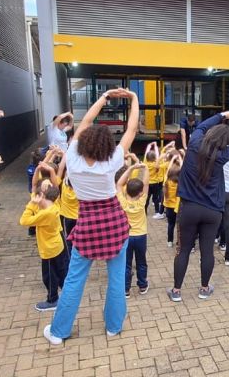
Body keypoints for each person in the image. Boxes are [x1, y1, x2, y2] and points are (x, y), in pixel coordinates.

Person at [44, 87, 139, 345]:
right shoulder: (112, 160)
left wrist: (104, 97)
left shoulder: (72, 158)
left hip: (86, 223)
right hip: (114, 223)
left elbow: (85, 122)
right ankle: (113, 327)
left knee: (74, 279)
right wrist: (133, 98)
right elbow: (131, 130)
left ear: (83, 141)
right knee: (116, 278)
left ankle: (59, 332)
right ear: (107, 145)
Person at [168, 110, 229, 302]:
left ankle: (176, 291)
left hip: (189, 208)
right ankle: (204, 289)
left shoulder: (194, 143)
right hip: (212, 210)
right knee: (207, 251)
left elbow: (202, 126)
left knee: (183, 249)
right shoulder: (222, 155)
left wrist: (223, 115)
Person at [20, 161, 67, 312]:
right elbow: (46, 185)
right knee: (61, 270)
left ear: (41, 196)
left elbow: (24, 221)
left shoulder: (45, 213)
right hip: (57, 244)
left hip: (49, 249)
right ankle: (67, 294)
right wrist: (42, 169)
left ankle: (52, 299)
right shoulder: (55, 203)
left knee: (49, 276)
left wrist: (32, 204)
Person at [118, 159, 150, 297]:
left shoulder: (123, 202)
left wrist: (131, 168)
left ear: (127, 190)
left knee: (126, 264)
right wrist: (145, 168)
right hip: (141, 236)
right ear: (141, 192)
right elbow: (146, 183)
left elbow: (119, 183)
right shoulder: (142, 202)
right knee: (141, 262)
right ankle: (142, 286)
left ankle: (126, 289)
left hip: (126, 236)